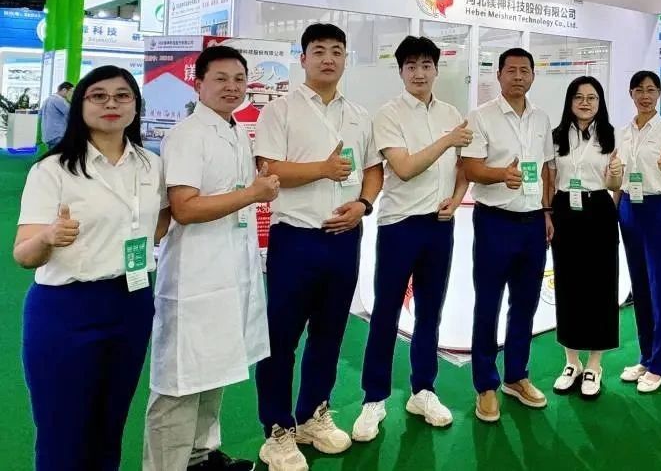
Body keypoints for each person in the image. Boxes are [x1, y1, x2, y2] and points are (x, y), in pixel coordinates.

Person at [13, 66, 170, 471]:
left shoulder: (151, 165)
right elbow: (24, 255)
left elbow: (161, 220)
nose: (111, 103)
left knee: (109, 425)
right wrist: (49, 237)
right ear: (80, 105)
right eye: (98, 95)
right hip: (65, 309)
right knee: (62, 430)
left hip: (132, 302)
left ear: (136, 105)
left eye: (122, 95)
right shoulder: (52, 170)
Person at [254, 23, 383, 470]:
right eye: (319, 50)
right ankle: (277, 429)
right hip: (296, 239)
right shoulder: (280, 110)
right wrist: (322, 169)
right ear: (303, 58)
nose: (328, 58)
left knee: (329, 335)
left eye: (336, 51)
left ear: (346, 58)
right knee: (281, 339)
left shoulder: (359, 114)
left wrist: (363, 205)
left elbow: (373, 169)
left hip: (345, 238)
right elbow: (268, 170)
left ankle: (312, 414)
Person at [143, 46, 279, 470]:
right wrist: (252, 194)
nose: (232, 87)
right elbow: (184, 207)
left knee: (215, 369)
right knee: (180, 381)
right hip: (195, 275)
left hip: (229, 270)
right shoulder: (187, 135)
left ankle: (201, 456)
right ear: (198, 84)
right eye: (221, 79)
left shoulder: (235, 129)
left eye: (239, 79)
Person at [353, 36, 470, 441]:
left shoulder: (451, 113)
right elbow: (403, 168)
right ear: (401, 71)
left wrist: (457, 198)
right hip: (399, 225)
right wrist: (447, 140)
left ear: (436, 69)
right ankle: (374, 398)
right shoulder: (388, 115)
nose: (419, 73)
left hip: (440, 225)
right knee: (386, 312)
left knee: (430, 312)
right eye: (411, 66)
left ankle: (423, 390)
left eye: (426, 65)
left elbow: (463, 167)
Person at [462, 48, 554, 422]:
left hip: (532, 223)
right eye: (511, 70)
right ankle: (486, 384)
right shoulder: (481, 116)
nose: (518, 76)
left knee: (525, 303)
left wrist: (547, 212)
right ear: (498, 75)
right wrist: (502, 174)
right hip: (494, 221)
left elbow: (545, 169)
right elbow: (470, 168)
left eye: (524, 70)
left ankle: (516, 376)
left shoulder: (541, 118)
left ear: (533, 76)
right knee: (488, 303)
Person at [547, 76, 622, 399]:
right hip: (564, 210)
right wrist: (547, 213)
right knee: (568, 285)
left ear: (600, 102)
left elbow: (614, 185)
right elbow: (550, 178)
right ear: (570, 101)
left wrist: (615, 177)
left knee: (601, 286)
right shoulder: (556, 136)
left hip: (599, 210)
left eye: (592, 97)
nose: (585, 103)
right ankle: (571, 362)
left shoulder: (611, 135)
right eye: (579, 97)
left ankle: (594, 364)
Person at [616, 71, 661, 394]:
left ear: (659, 93)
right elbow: (617, 176)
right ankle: (645, 358)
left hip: (658, 209)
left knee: (660, 289)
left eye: (650, 90)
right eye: (639, 90)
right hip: (628, 208)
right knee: (640, 289)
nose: (645, 96)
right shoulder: (623, 132)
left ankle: (659, 365)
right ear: (631, 94)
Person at [40, 81, 73, 148]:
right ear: (64, 90)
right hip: (58, 135)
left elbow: (40, 114)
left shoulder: (47, 99)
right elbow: (71, 113)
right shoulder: (59, 100)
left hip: (48, 135)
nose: (72, 93)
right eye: (71, 91)